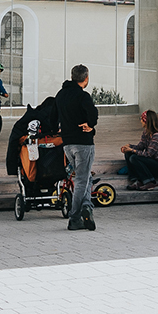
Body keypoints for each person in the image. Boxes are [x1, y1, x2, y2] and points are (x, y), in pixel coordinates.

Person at [56, 64, 99, 230]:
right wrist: (91, 125)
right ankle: (74, 218)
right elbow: (93, 114)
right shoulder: (83, 96)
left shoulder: (61, 95)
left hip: (67, 144)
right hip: (83, 143)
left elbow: (54, 116)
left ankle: (87, 206)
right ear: (86, 79)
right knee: (82, 180)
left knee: (85, 177)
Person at [118, 109, 158, 188]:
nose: (140, 121)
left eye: (141, 119)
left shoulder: (157, 136)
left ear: (146, 121)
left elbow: (148, 154)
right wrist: (129, 147)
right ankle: (136, 179)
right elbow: (140, 147)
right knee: (129, 154)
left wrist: (132, 150)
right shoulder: (146, 133)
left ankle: (151, 182)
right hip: (152, 162)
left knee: (134, 158)